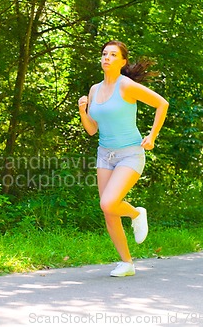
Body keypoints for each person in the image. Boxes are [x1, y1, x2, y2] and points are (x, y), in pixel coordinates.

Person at [78, 40, 169, 277]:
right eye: (104, 53)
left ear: (122, 62)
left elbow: (162, 103)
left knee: (108, 203)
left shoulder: (126, 85)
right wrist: (82, 111)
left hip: (130, 153)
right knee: (109, 211)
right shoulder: (94, 90)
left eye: (112, 54)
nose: (106, 57)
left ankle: (137, 214)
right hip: (104, 155)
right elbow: (91, 129)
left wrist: (152, 136)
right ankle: (127, 263)